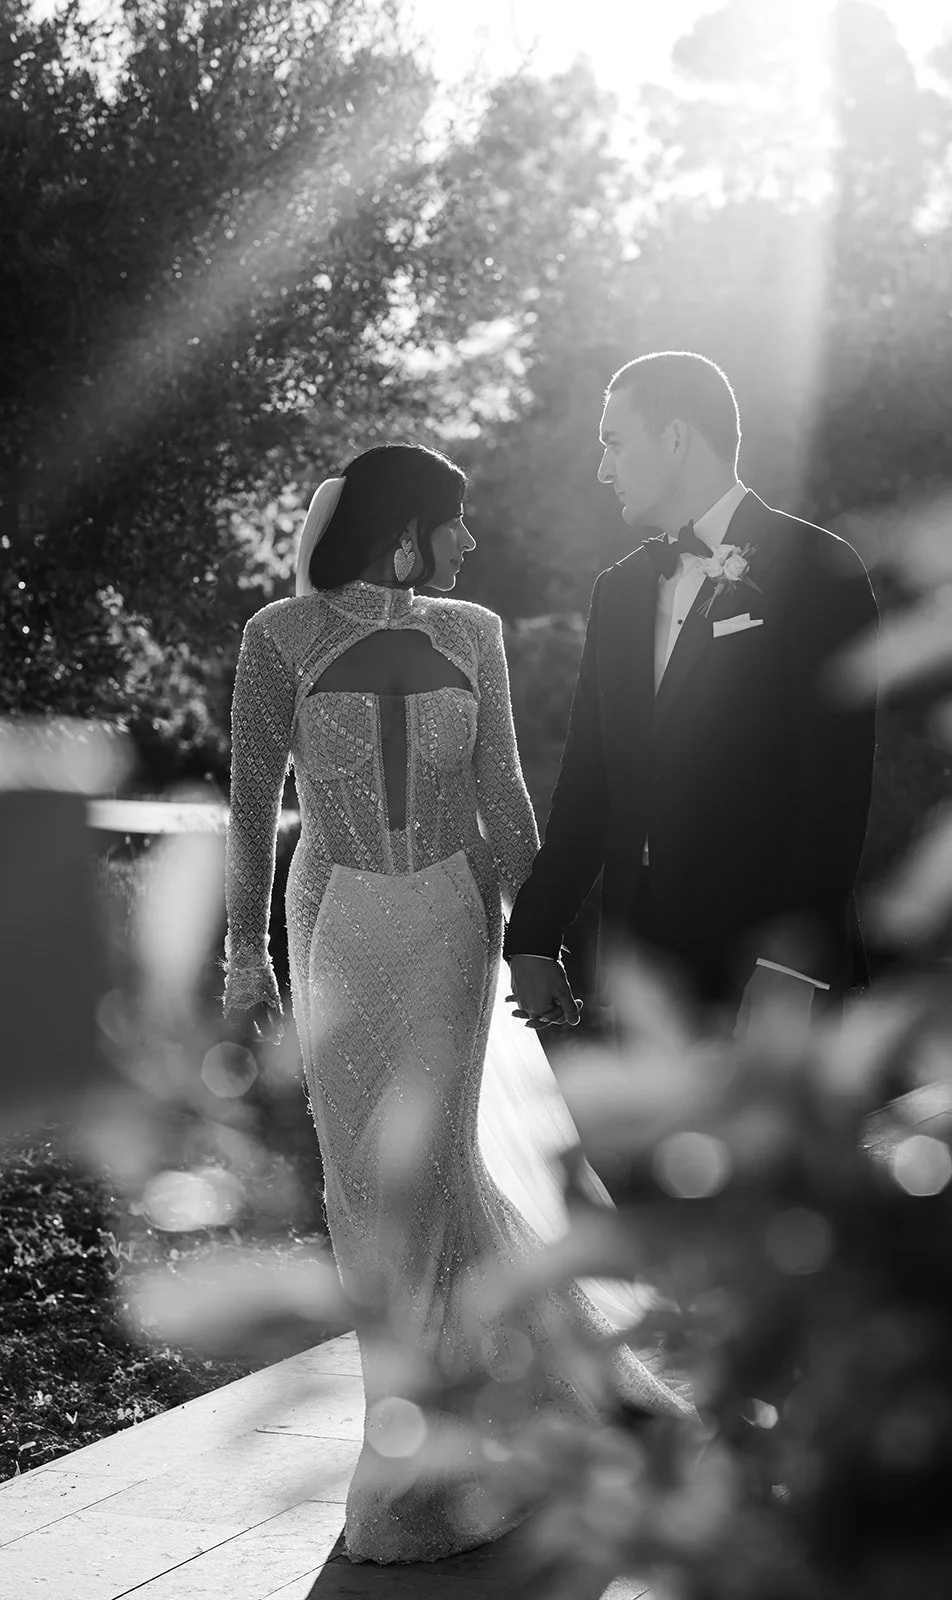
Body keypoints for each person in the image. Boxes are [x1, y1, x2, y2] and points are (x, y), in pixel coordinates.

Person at [223, 442, 690, 1565]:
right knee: (365, 1190)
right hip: (339, 931)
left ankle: (435, 1455)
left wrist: (544, 942)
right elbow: (249, 810)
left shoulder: (472, 632)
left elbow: (507, 800)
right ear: (402, 527)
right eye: (455, 520)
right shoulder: (278, 638)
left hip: (448, 922)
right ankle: (470, 1414)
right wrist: (248, 961)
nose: (471, 543)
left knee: (427, 1175)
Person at [506, 351, 879, 1036]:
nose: (602, 468)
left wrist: (789, 971)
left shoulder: (819, 569)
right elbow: (591, 779)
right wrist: (533, 935)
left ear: (675, 438)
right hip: (639, 964)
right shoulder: (618, 591)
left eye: (615, 443)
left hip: (769, 969)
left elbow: (836, 789)